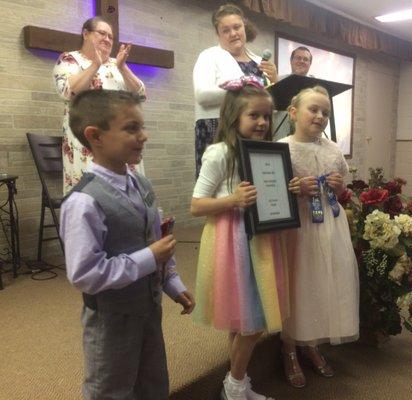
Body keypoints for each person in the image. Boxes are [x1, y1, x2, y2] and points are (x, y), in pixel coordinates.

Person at [60, 89, 195, 400]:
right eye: (131, 128)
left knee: (152, 382)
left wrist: (171, 282)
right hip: (111, 321)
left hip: (148, 310)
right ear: (95, 136)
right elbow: (85, 275)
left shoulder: (141, 183)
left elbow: (155, 237)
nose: (143, 136)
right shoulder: (83, 202)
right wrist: (148, 258)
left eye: (142, 127)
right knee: (112, 388)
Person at [191, 76, 297, 400]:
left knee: (247, 317)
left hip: (261, 241)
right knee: (252, 322)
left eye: (267, 116)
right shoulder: (219, 153)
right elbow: (196, 205)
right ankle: (233, 388)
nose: (263, 122)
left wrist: (286, 191)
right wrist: (232, 200)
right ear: (234, 116)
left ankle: (239, 382)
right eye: (255, 115)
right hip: (232, 241)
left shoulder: (267, 152)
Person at [278, 86, 359, 388]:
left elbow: (341, 187)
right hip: (298, 228)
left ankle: (310, 343)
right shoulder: (282, 148)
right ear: (294, 112)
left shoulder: (333, 149)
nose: (320, 116)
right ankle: (289, 348)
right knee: (297, 283)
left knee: (322, 282)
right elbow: (272, 189)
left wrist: (337, 188)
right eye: (314, 109)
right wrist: (293, 188)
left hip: (329, 227)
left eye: (325, 112)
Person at [53, 16, 146, 194]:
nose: (107, 39)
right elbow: (68, 92)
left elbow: (140, 95)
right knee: (91, 193)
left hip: (121, 138)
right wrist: (95, 65)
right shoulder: (70, 59)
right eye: (102, 33)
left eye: (111, 36)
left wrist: (122, 67)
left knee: (127, 193)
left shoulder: (115, 64)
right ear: (86, 34)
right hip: (87, 139)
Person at [193, 3, 278, 178]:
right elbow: (201, 95)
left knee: (254, 182)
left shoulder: (258, 61)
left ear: (244, 27)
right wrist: (239, 88)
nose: (233, 33)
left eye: (237, 27)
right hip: (217, 128)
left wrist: (275, 81)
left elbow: (269, 102)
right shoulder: (209, 56)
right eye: (225, 30)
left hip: (256, 130)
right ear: (218, 34)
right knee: (219, 188)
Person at [272, 47, 313, 141]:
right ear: (291, 61)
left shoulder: (316, 86)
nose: (301, 61)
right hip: (280, 134)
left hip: (307, 138)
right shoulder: (277, 80)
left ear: (310, 64)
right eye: (298, 58)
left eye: (306, 59)